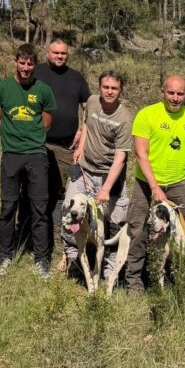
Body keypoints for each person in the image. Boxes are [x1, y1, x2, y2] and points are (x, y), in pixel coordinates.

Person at [125, 75, 185, 293]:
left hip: (180, 181)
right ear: (162, 91)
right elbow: (141, 155)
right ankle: (134, 281)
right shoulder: (147, 115)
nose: (175, 98)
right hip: (146, 182)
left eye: (180, 94)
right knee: (139, 229)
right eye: (171, 93)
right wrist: (154, 188)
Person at [0, 43, 57, 279]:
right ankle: (4, 255)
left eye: (30, 64)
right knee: (8, 206)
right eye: (22, 63)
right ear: (15, 62)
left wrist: (31, 138)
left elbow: (46, 122)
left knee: (39, 207)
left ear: (35, 65)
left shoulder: (44, 90)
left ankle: (41, 258)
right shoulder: (1, 88)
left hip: (36, 154)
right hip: (11, 154)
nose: (26, 68)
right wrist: (12, 136)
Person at [61, 71, 133, 279]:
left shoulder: (124, 118)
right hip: (85, 170)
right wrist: (80, 148)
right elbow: (86, 125)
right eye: (106, 87)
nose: (109, 92)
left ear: (121, 91)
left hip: (108, 175)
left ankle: (111, 269)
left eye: (114, 88)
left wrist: (106, 189)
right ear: (100, 87)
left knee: (114, 221)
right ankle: (74, 258)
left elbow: (120, 158)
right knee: (69, 211)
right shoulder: (92, 102)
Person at [33, 38, 90, 261]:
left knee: (60, 194)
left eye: (63, 53)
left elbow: (88, 108)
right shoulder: (36, 73)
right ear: (47, 53)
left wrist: (82, 131)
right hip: (37, 144)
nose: (59, 56)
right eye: (55, 52)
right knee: (34, 192)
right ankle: (31, 238)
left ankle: (59, 237)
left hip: (66, 147)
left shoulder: (76, 78)